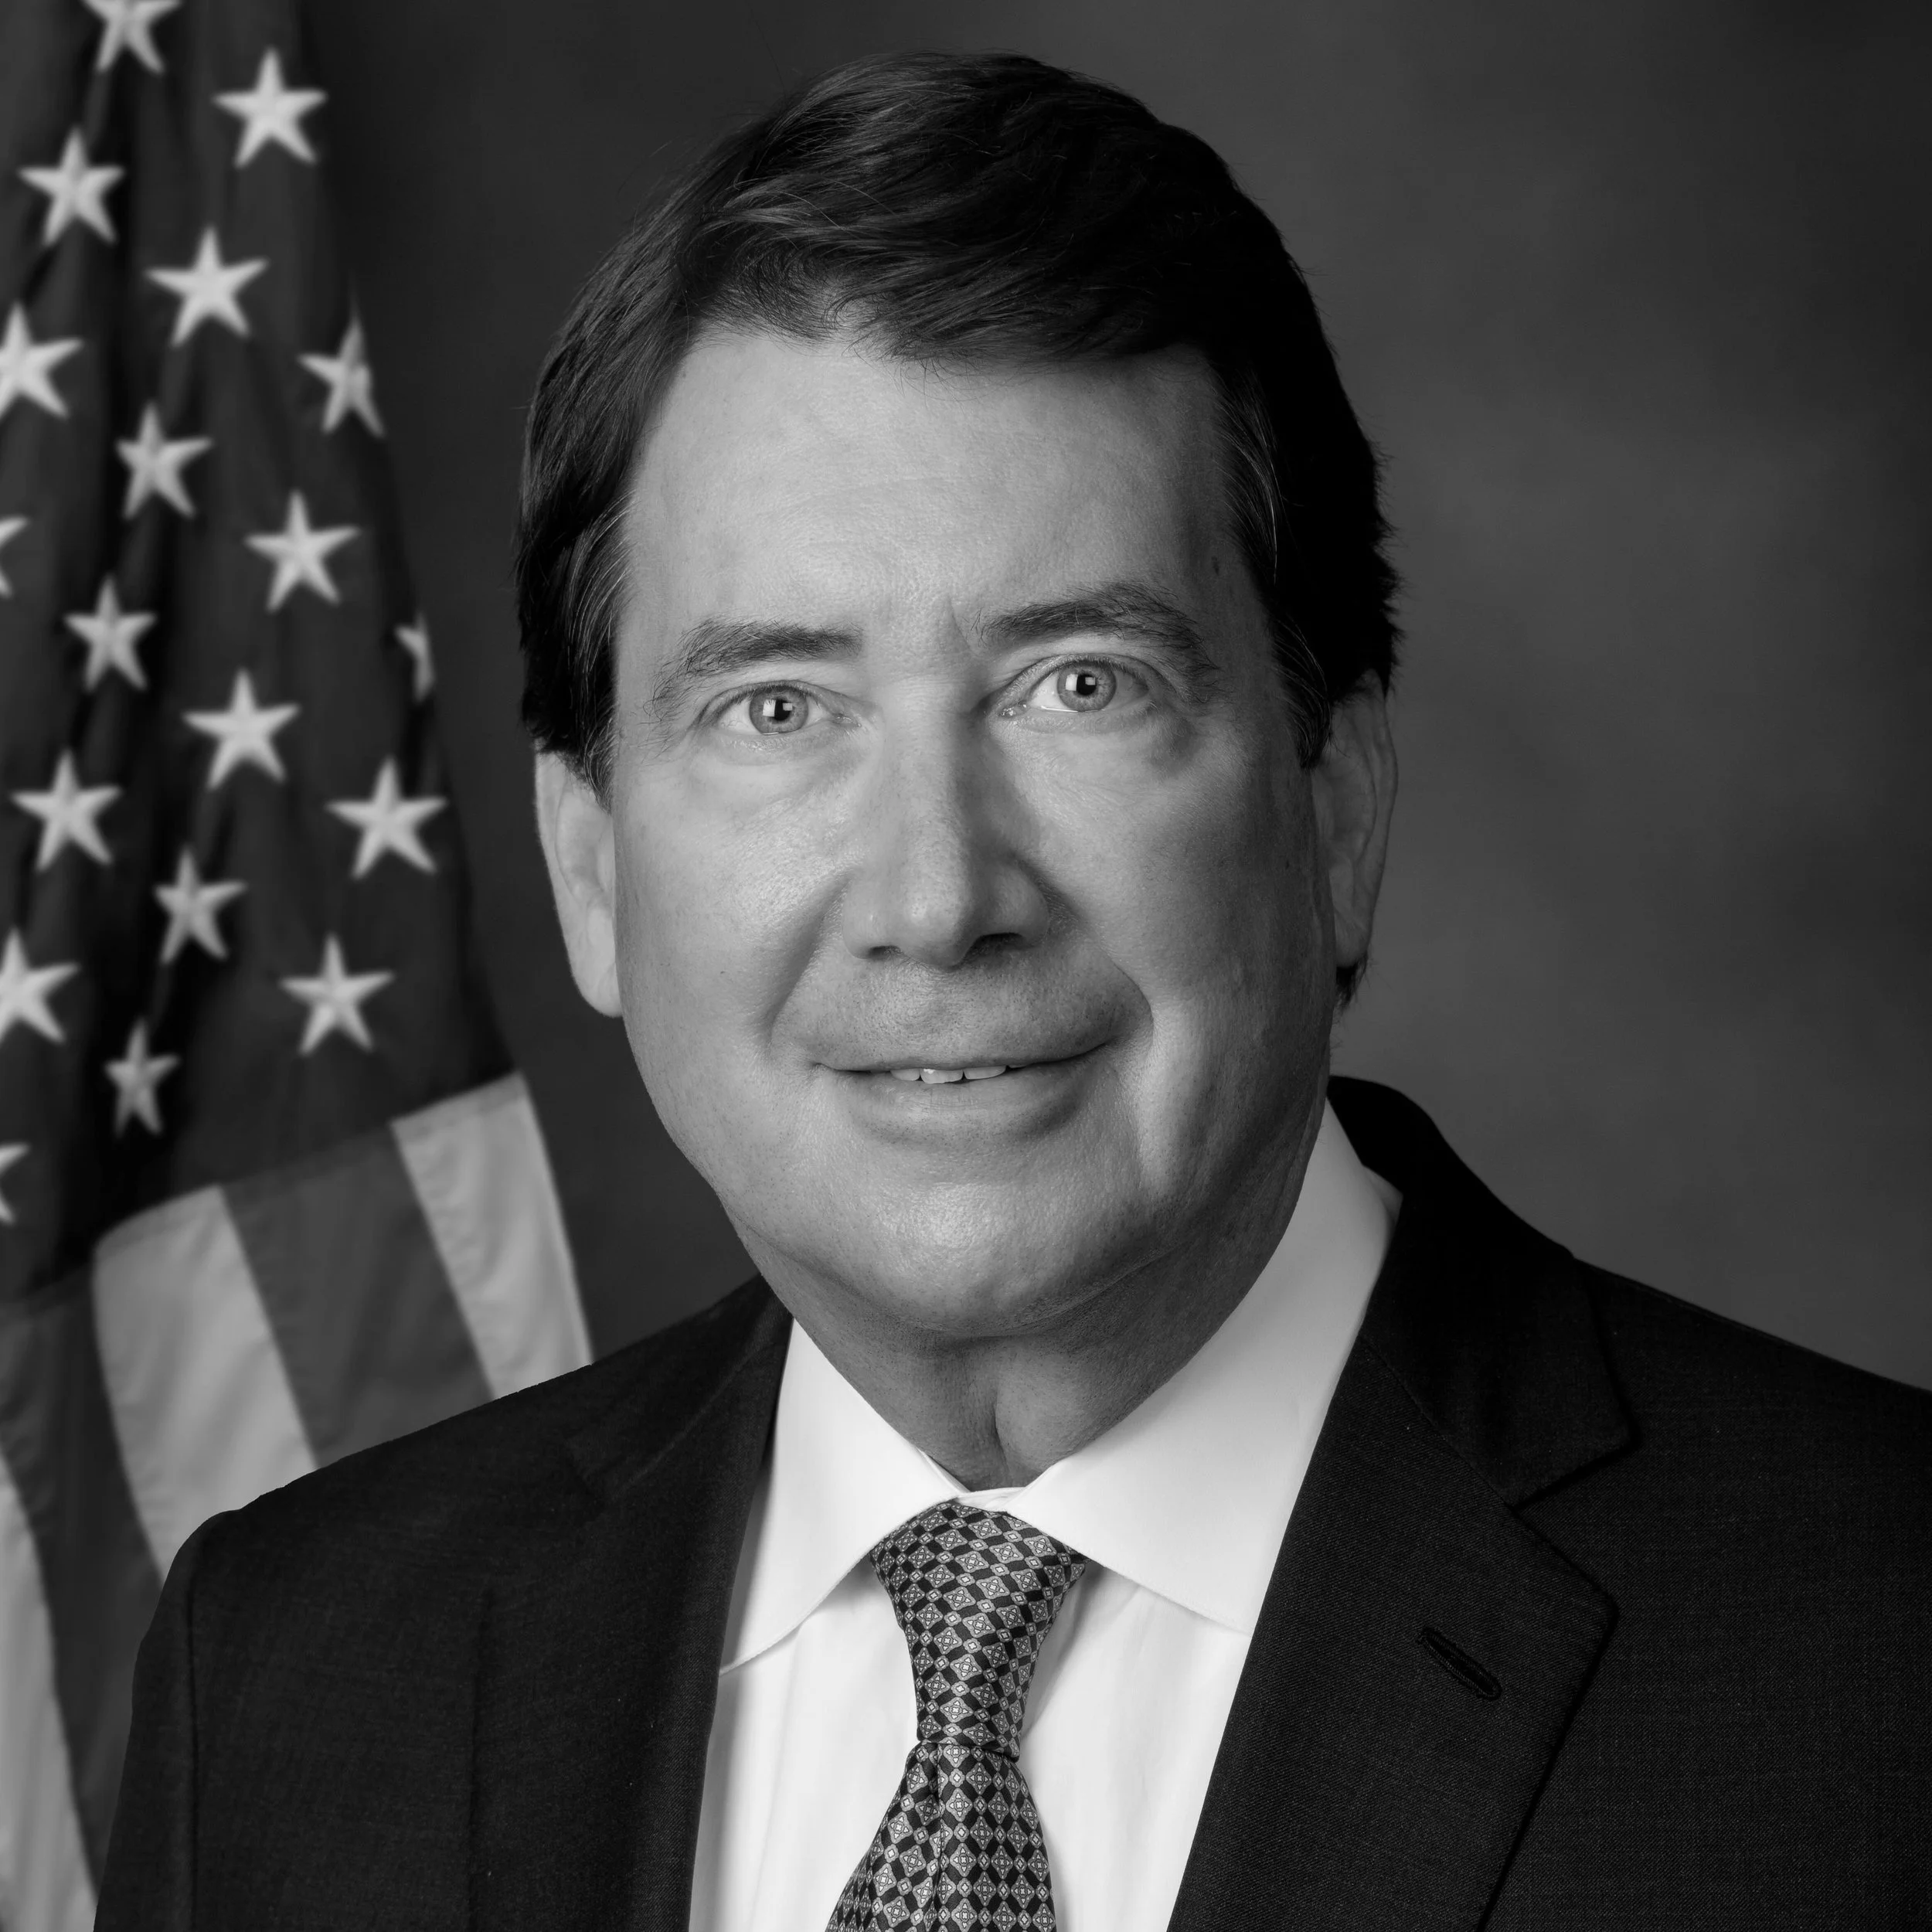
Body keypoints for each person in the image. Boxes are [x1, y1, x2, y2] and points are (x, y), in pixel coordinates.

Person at [100, 50, 1929, 1932]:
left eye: (1078, 683)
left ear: (1336, 802)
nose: (935, 894)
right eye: (776, 708)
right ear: (588, 862)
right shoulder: (292, 1666)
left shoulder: (1877, 1659)